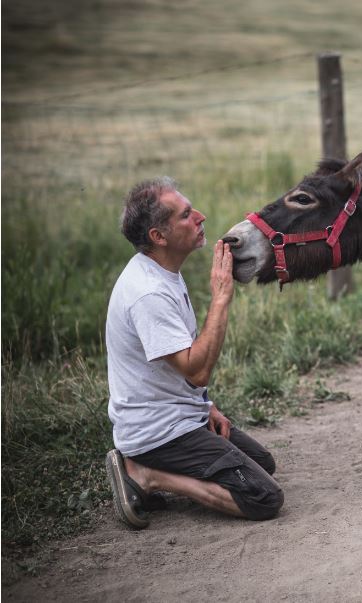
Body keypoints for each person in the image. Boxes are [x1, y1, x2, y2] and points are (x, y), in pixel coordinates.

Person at [105, 176, 283, 529]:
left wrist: (206, 406)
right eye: (186, 215)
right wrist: (221, 298)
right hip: (157, 432)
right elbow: (196, 371)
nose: (200, 216)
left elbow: (177, 366)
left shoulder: (162, 270)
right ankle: (146, 475)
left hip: (180, 414)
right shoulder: (149, 294)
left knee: (263, 464)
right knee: (263, 497)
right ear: (159, 236)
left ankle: (152, 465)